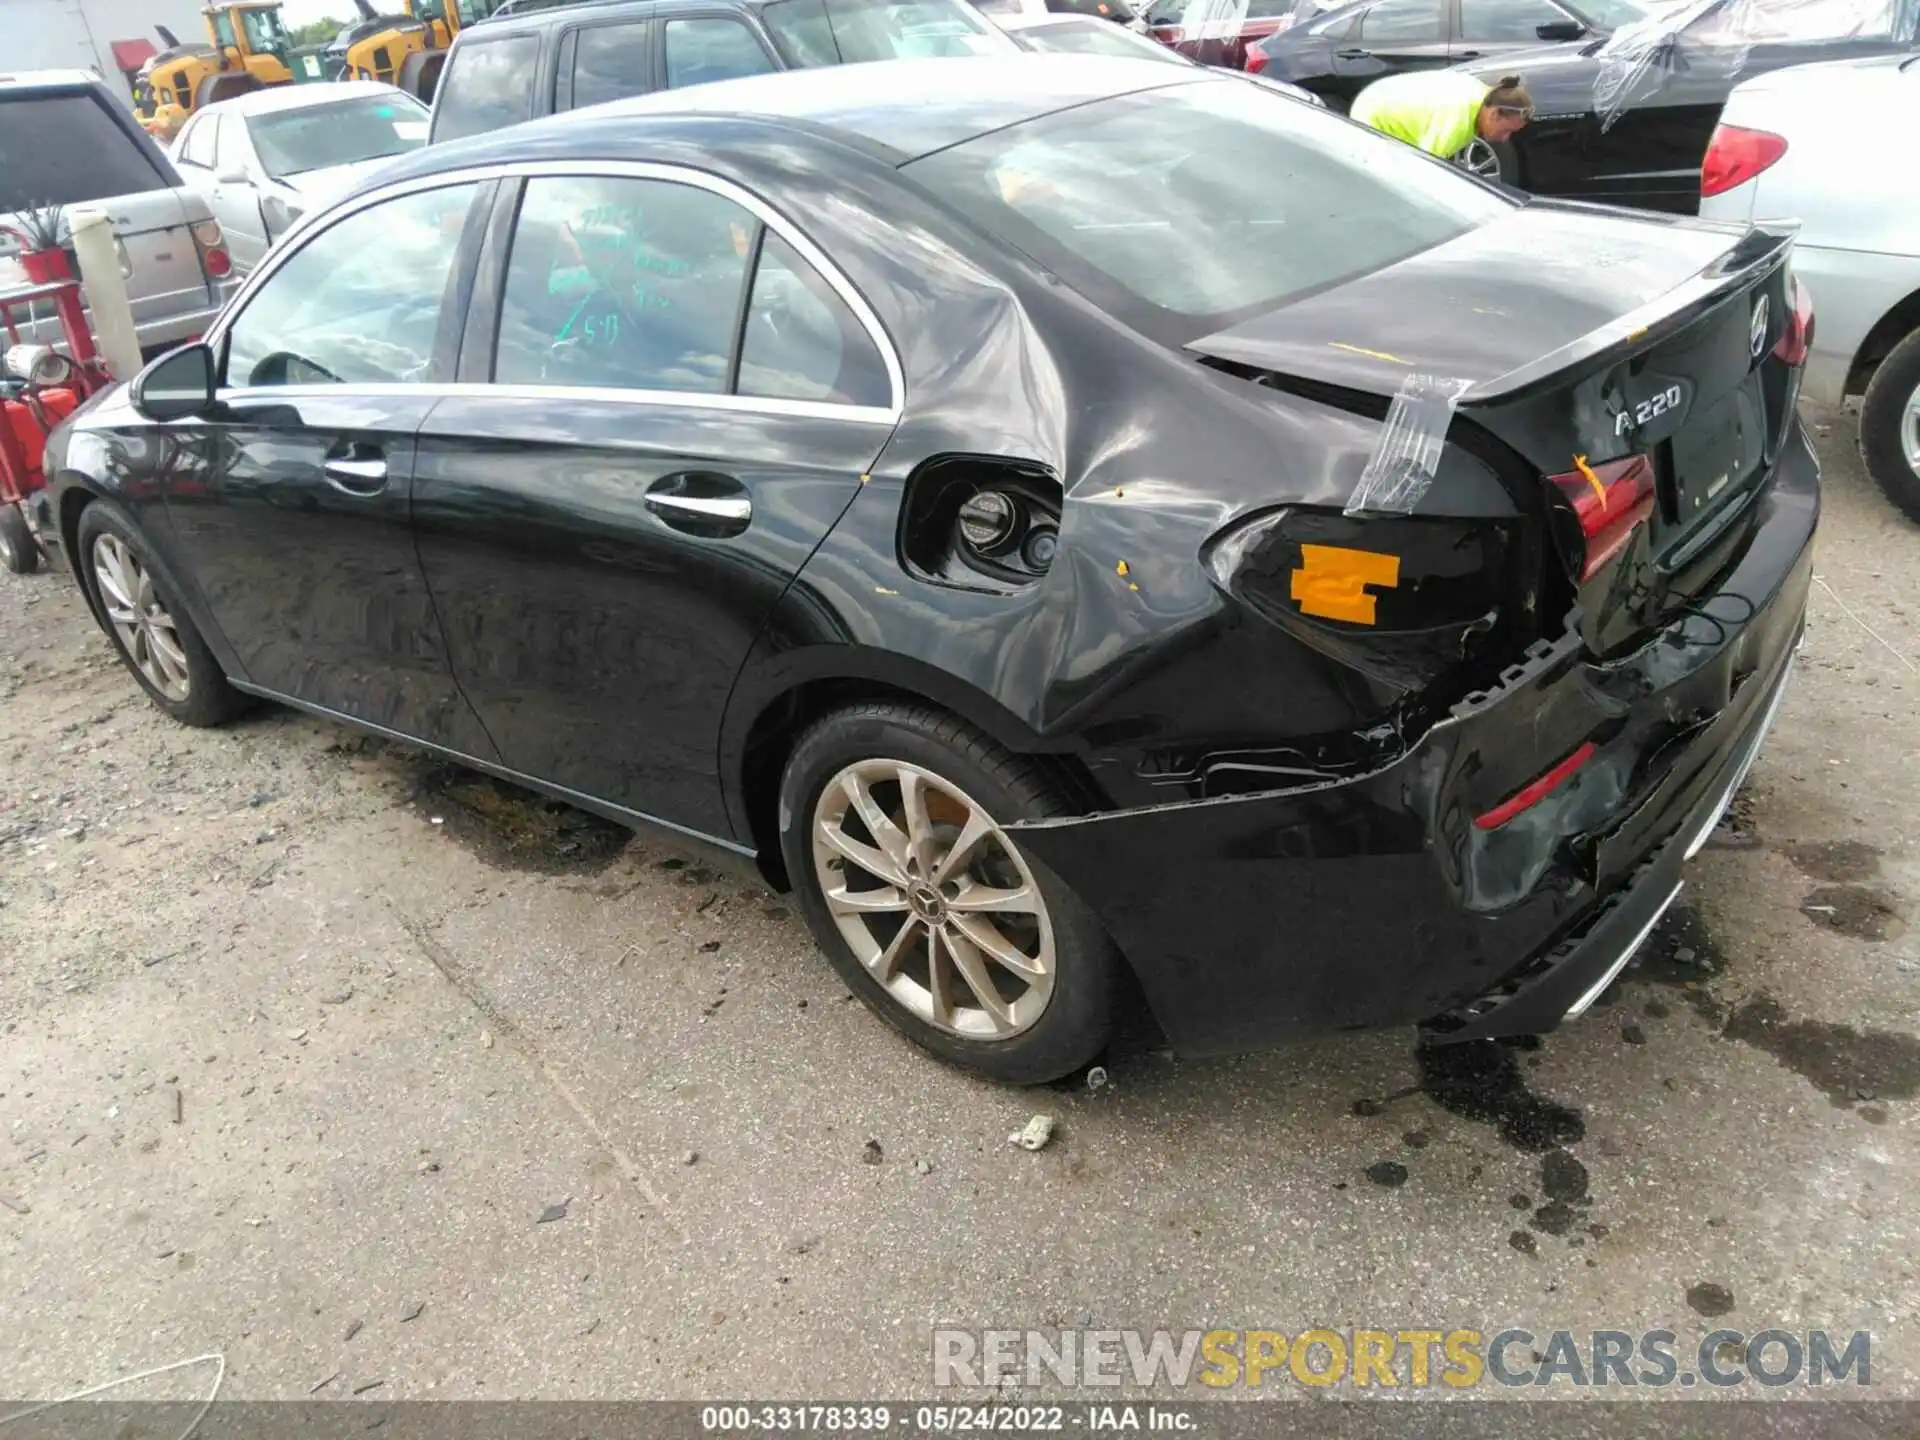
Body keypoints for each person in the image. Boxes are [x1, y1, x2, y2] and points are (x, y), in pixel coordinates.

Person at [1350, 71, 1534, 163]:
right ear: (1494, 114)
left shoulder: (1481, 94)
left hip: (1378, 96)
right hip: (1374, 118)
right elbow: (1428, 169)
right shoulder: (1457, 121)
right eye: (1506, 130)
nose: (1504, 138)